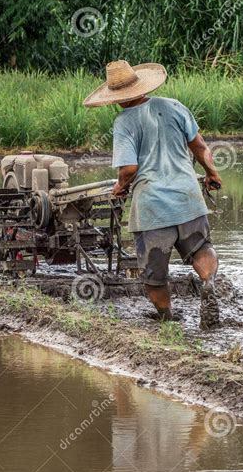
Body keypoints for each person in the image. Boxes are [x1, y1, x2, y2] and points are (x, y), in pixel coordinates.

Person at [83, 60, 222, 328]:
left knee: (154, 275)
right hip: (188, 197)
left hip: (153, 207)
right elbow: (200, 146)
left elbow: (129, 169)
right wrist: (212, 173)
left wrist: (120, 187)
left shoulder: (124, 122)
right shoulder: (173, 106)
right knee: (202, 248)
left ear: (116, 98)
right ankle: (208, 282)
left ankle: (167, 318)